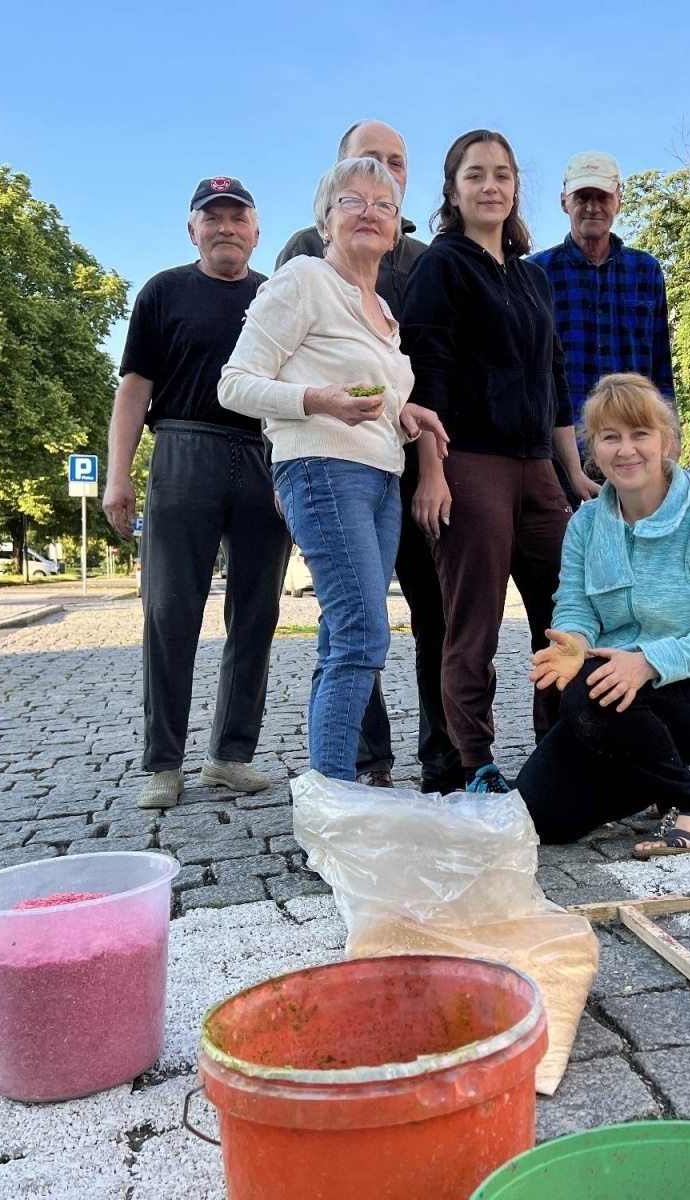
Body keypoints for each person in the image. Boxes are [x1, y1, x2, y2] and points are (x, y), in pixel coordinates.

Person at [219, 157, 448, 781]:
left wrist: (409, 412)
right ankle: (335, 796)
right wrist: (318, 400)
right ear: (326, 219)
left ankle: (329, 789)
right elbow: (234, 384)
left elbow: (376, 396)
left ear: (397, 229)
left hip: (380, 479)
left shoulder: (382, 313)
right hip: (322, 469)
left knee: (342, 636)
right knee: (364, 634)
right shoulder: (304, 280)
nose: (370, 211)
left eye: (384, 204)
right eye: (353, 201)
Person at [403, 129, 596, 794]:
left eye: (503, 175)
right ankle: (473, 760)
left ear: (516, 189)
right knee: (474, 620)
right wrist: (431, 470)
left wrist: (572, 473)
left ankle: (558, 746)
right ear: (453, 191)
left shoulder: (533, 277)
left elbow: (555, 380)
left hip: (537, 468)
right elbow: (426, 373)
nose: (491, 186)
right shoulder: (442, 264)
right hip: (469, 461)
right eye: (476, 175)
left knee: (566, 611)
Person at [275, 120, 460, 793]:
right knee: (356, 626)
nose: (382, 181)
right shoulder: (305, 259)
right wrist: (290, 453)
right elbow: (263, 372)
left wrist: (423, 444)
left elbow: (413, 377)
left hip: (400, 466)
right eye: (366, 167)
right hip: (333, 466)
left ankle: (431, 764)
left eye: (395, 166)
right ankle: (351, 775)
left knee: (411, 619)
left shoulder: (413, 270)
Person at [104, 177, 292, 810]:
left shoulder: (277, 295)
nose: (225, 227)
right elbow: (134, 387)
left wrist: (290, 470)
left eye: (237, 217)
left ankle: (230, 755)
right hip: (184, 449)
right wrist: (118, 473)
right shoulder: (163, 291)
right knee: (168, 611)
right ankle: (162, 763)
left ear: (256, 230)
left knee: (258, 611)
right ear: (193, 230)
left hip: (264, 453)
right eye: (212, 218)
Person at [517, 374, 690, 857]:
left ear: (666, 440)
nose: (626, 450)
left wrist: (646, 662)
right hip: (613, 702)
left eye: (639, 434)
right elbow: (576, 606)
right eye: (610, 437)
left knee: (588, 690)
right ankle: (656, 778)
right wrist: (575, 644)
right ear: (594, 450)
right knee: (539, 816)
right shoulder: (585, 523)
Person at [529, 150, 675, 496]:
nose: (592, 207)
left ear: (619, 201)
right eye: (582, 197)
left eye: (602, 197)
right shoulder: (535, 273)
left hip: (634, 452)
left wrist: (671, 445)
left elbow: (660, 366)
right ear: (564, 201)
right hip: (558, 458)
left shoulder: (646, 271)